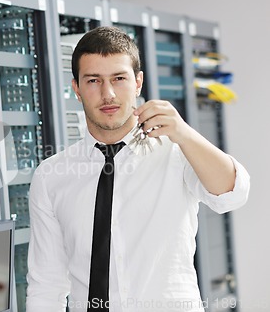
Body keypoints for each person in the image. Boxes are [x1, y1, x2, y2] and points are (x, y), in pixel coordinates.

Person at [25, 26, 250, 312]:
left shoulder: (176, 151)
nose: (107, 94)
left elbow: (233, 194)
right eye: (93, 80)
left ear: (138, 82)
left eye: (119, 78)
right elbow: (46, 284)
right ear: (77, 90)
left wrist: (183, 133)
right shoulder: (50, 177)